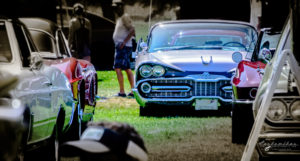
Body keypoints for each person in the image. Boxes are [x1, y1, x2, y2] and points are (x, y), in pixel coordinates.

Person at [112, 0, 135, 97]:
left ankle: (123, 91)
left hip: (123, 47)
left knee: (119, 68)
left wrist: (124, 42)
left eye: (116, 7)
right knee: (126, 68)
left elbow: (132, 30)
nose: (115, 10)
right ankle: (132, 90)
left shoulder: (125, 17)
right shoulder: (120, 18)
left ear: (121, 7)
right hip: (120, 46)